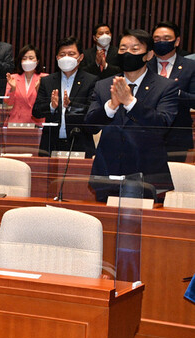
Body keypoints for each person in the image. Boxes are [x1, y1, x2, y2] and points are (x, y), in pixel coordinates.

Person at [86, 29, 179, 202]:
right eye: (123, 49)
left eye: (135, 49)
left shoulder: (166, 87)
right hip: (107, 174)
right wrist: (111, 106)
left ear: (149, 54)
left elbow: (162, 125)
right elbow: (90, 125)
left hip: (147, 175)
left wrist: (130, 102)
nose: (127, 53)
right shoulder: (103, 85)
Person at [33, 36, 99, 158]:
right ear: (57, 58)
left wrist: (71, 105)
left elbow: (92, 112)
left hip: (80, 143)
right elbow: (36, 111)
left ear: (81, 57)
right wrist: (51, 107)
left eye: (71, 54)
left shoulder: (91, 81)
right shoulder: (47, 81)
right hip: (51, 144)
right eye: (62, 54)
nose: (66, 57)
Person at [149, 21, 195, 162]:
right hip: (146, 134)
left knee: (172, 181)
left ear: (177, 41)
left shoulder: (190, 66)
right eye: (157, 39)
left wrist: (177, 93)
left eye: (167, 39)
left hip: (177, 136)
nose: (161, 42)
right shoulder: (144, 66)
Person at [4, 44, 46, 125]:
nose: (27, 61)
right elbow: (8, 103)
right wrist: (13, 89)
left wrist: (38, 90)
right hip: (16, 123)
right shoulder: (13, 78)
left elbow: (47, 104)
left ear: (37, 61)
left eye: (31, 58)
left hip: (36, 122)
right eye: (24, 58)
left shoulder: (44, 78)